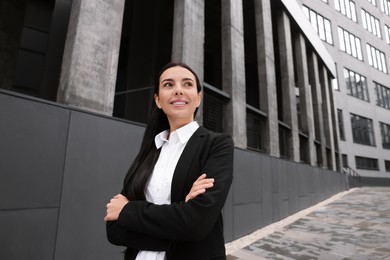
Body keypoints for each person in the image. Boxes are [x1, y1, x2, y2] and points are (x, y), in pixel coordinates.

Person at [104, 62, 234, 260]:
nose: (178, 91)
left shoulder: (216, 144)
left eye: (187, 84)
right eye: (168, 85)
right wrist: (181, 215)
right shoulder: (150, 150)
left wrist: (128, 210)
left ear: (198, 98)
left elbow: (198, 223)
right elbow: (113, 229)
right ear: (158, 100)